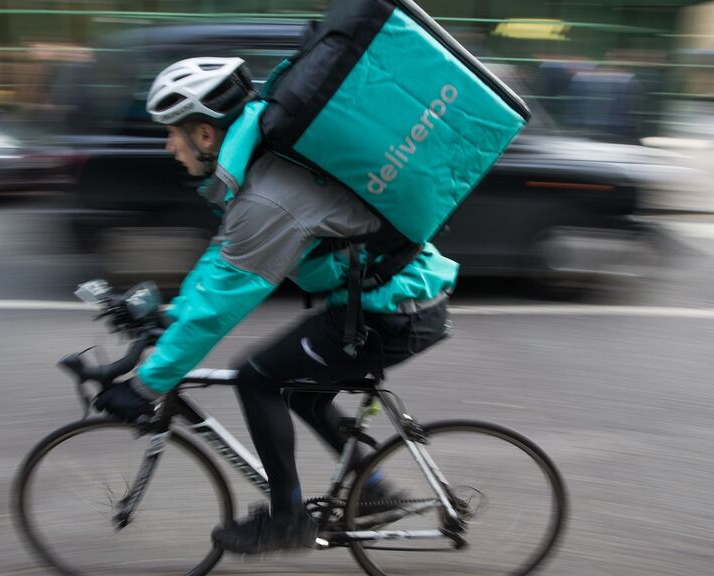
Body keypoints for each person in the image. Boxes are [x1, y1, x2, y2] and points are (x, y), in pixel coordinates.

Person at [94, 57, 458, 554]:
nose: (167, 145)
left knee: (257, 377)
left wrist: (145, 385)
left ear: (204, 133)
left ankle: (288, 520)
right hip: (391, 301)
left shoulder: (270, 195)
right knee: (297, 387)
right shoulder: (259, 166)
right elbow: (223, 260)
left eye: (172, 133)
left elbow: (224, 301)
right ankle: (372, 491)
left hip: (394, 312)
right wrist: (171, 317)